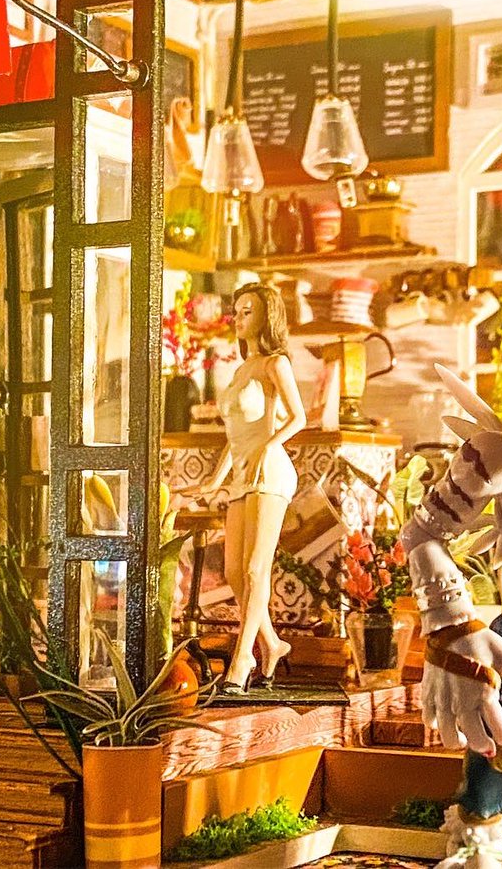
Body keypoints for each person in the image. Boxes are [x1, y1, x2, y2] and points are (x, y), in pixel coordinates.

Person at [187, 282, 306, 694]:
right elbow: (234, 436)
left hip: (270, 472)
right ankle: (272, 643)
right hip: (242, 473)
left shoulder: (276, 364)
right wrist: (214, 480)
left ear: (266, 316)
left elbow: (299, 418)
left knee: (256, 568)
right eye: (236, 311)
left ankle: (243, 659)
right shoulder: (241, 370)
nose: (238, 319)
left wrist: (269, 447)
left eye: (247, 311)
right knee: (235, 571)